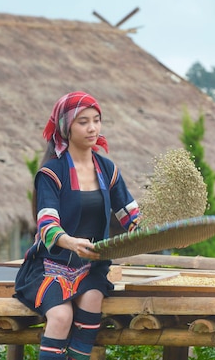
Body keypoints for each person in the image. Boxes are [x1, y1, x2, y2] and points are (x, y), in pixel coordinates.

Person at [15, 91, 140, 360]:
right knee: (61, 316)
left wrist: (152, 232)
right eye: (83, 121)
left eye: (96, 120)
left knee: (93, 300)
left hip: (91, 266)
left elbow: (130, 215)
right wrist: (71, 242)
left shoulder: (108, 170)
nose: (92, 128)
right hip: (51, 265)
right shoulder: (51, 173)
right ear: (65, 127)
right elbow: (47, 224)